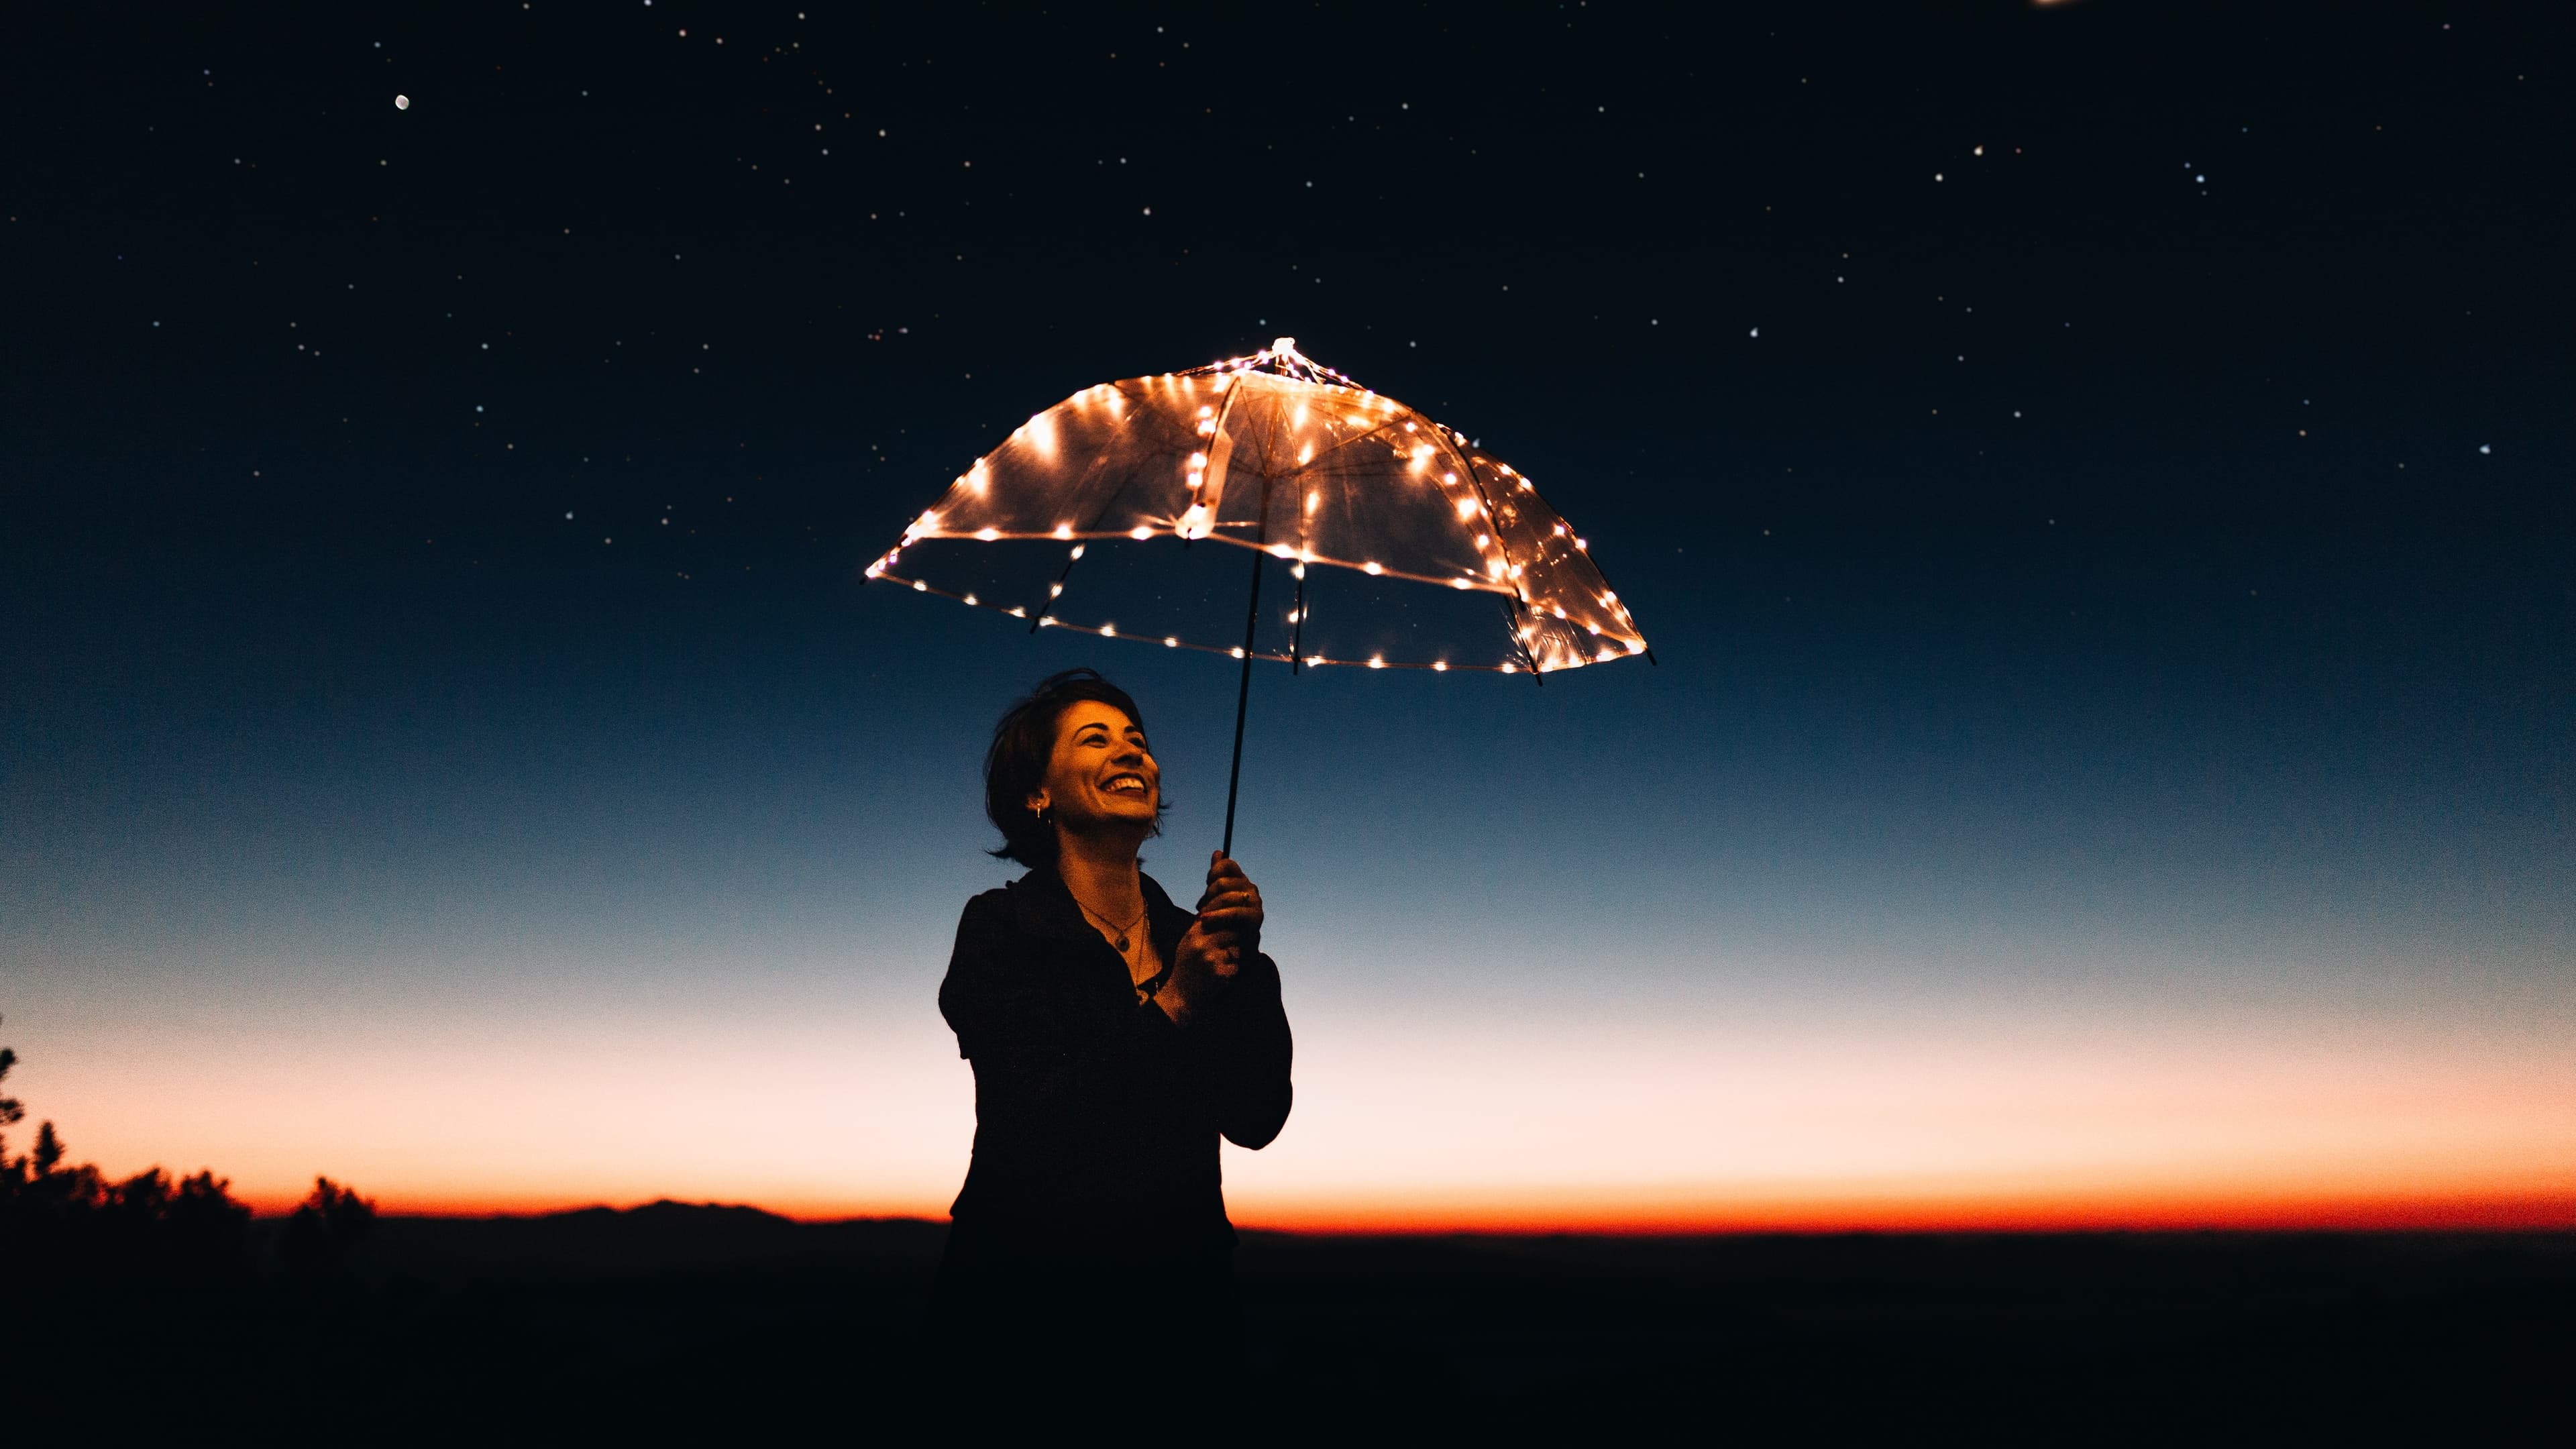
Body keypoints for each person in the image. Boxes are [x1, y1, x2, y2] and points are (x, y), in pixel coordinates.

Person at [928, 667, 1294, 1393]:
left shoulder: (1200, 942)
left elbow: (1256, 1118)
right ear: (1038, 793)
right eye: (1096, 740)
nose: (1133, 754)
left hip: (1183, 1319)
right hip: (1024, 1320)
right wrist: (1177, 1001)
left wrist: (1246, 968)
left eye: (1139, 741)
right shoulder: (1001, 930)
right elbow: (1036, 1126)